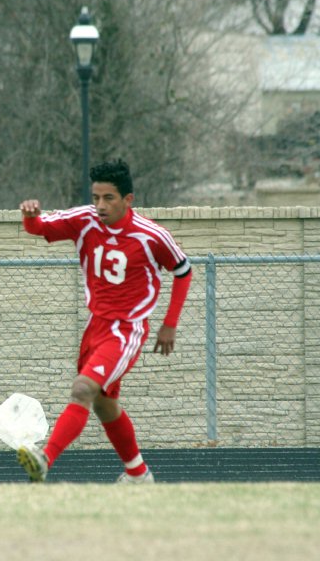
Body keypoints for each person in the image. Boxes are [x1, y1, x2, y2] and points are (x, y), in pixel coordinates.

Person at [17, 159, 191, 483]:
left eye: (108, 198)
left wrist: (170, 324)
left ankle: (45, 459)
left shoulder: (151, 235)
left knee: (83, 389)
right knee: (103, 405)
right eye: (96, 197)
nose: (100, 205)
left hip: (126, 330)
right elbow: (41, 228)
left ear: (128, 199)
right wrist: (30, 217)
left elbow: (183, 271)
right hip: (95, 325)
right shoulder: (84, 220)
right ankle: (138, 474)